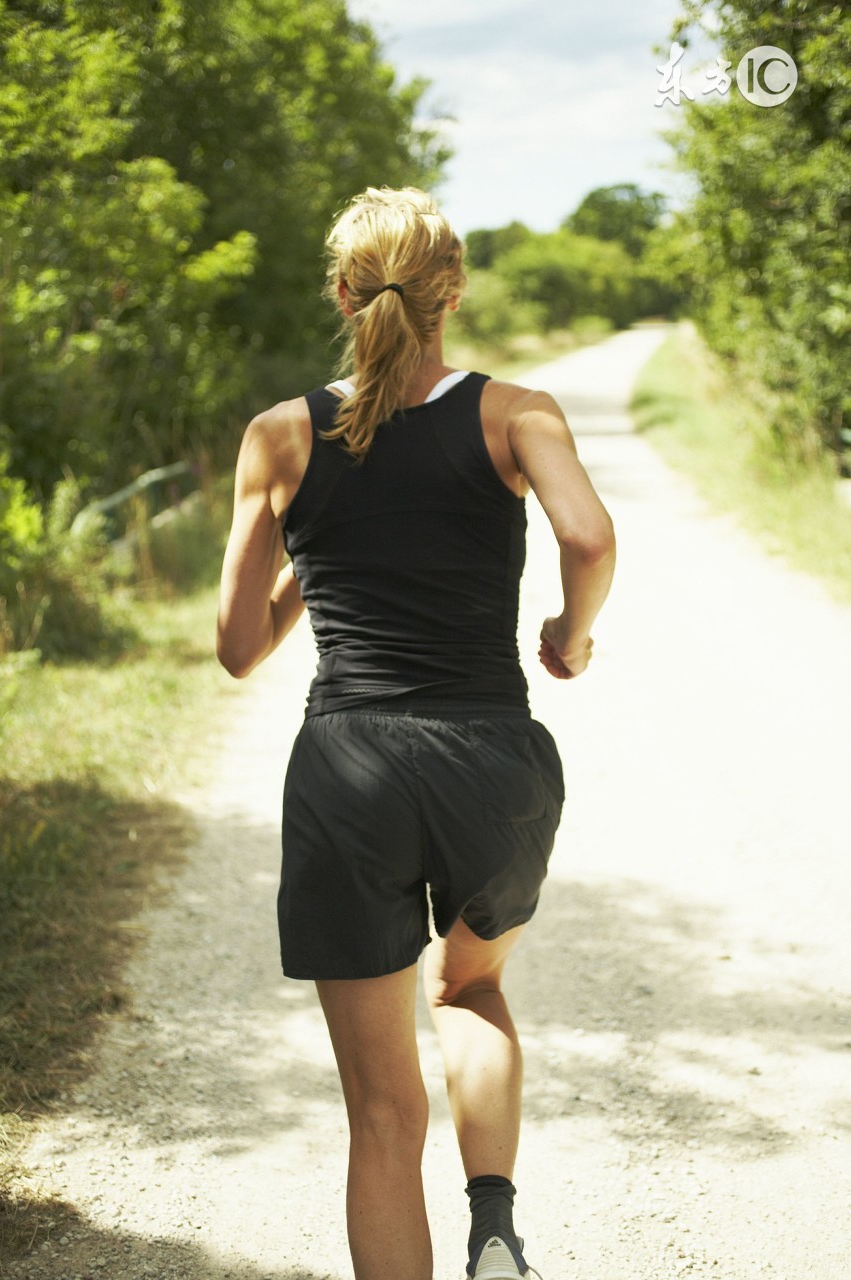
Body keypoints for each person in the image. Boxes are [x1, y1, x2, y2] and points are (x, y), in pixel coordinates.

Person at [216, 186, 616, 1280]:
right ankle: (495, 1223)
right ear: (456, 291)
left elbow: (237, 645)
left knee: (380, 1112)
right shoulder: (515, 411)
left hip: (348, 770)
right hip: (491, 759)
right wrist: (570, 640)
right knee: (470, 985)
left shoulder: (281, 433)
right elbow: (586, 535)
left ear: (342, 293)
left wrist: (312, 564)